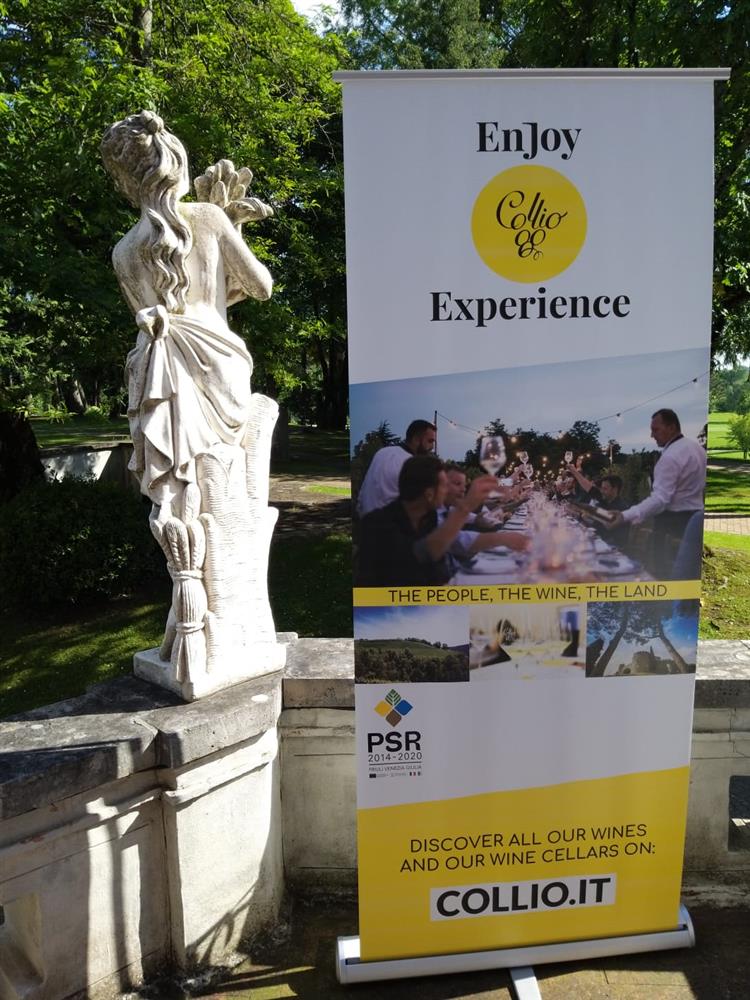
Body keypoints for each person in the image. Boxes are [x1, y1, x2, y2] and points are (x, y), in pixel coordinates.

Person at [100, 110, 273, 517]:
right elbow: (260, 287)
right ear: (176, 162)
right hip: (219, 364)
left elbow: (160, 315)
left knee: (183, 501)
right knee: (224, 489)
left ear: (125, 180)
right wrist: (232, 227)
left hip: (161, 373)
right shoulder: (208, 218)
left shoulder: (123, 252)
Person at [356, 456, 526, 586]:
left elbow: (456, 540)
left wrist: (504, 538)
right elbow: (422, 553)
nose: (447, 491)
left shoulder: (428, 516)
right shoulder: (378, 524)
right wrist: (466, 506)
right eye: (445, 485)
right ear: (429, 494)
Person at [608, 409, 706, 575]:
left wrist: (625, 516)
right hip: (695, 522)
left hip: (671, 526)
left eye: (656, 430)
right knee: (690, 574)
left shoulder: (670, 457)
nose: (652, 435)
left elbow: (660, 500)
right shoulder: (698, 450)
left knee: (664, 575)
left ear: (671, 427)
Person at [356, 419, 437, 517]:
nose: (432, 447)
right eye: (430, 441)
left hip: (366, 521)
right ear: (416, 439)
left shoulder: (382, 453)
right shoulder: (412, 465)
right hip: (390, 524)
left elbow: (361, 496)